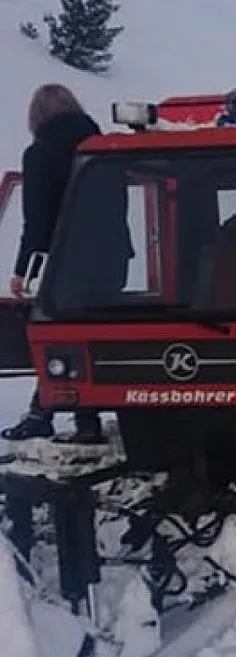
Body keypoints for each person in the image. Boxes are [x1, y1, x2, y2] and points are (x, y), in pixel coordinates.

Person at [2, 84, 110, 444]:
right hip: (113, 258)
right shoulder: (100, 147)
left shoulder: (40, 154)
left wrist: (23, 270)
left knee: (56, 336)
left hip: (68, 261)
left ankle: (43, 414)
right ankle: (86, 419)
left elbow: (37, 220)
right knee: (91, 335)